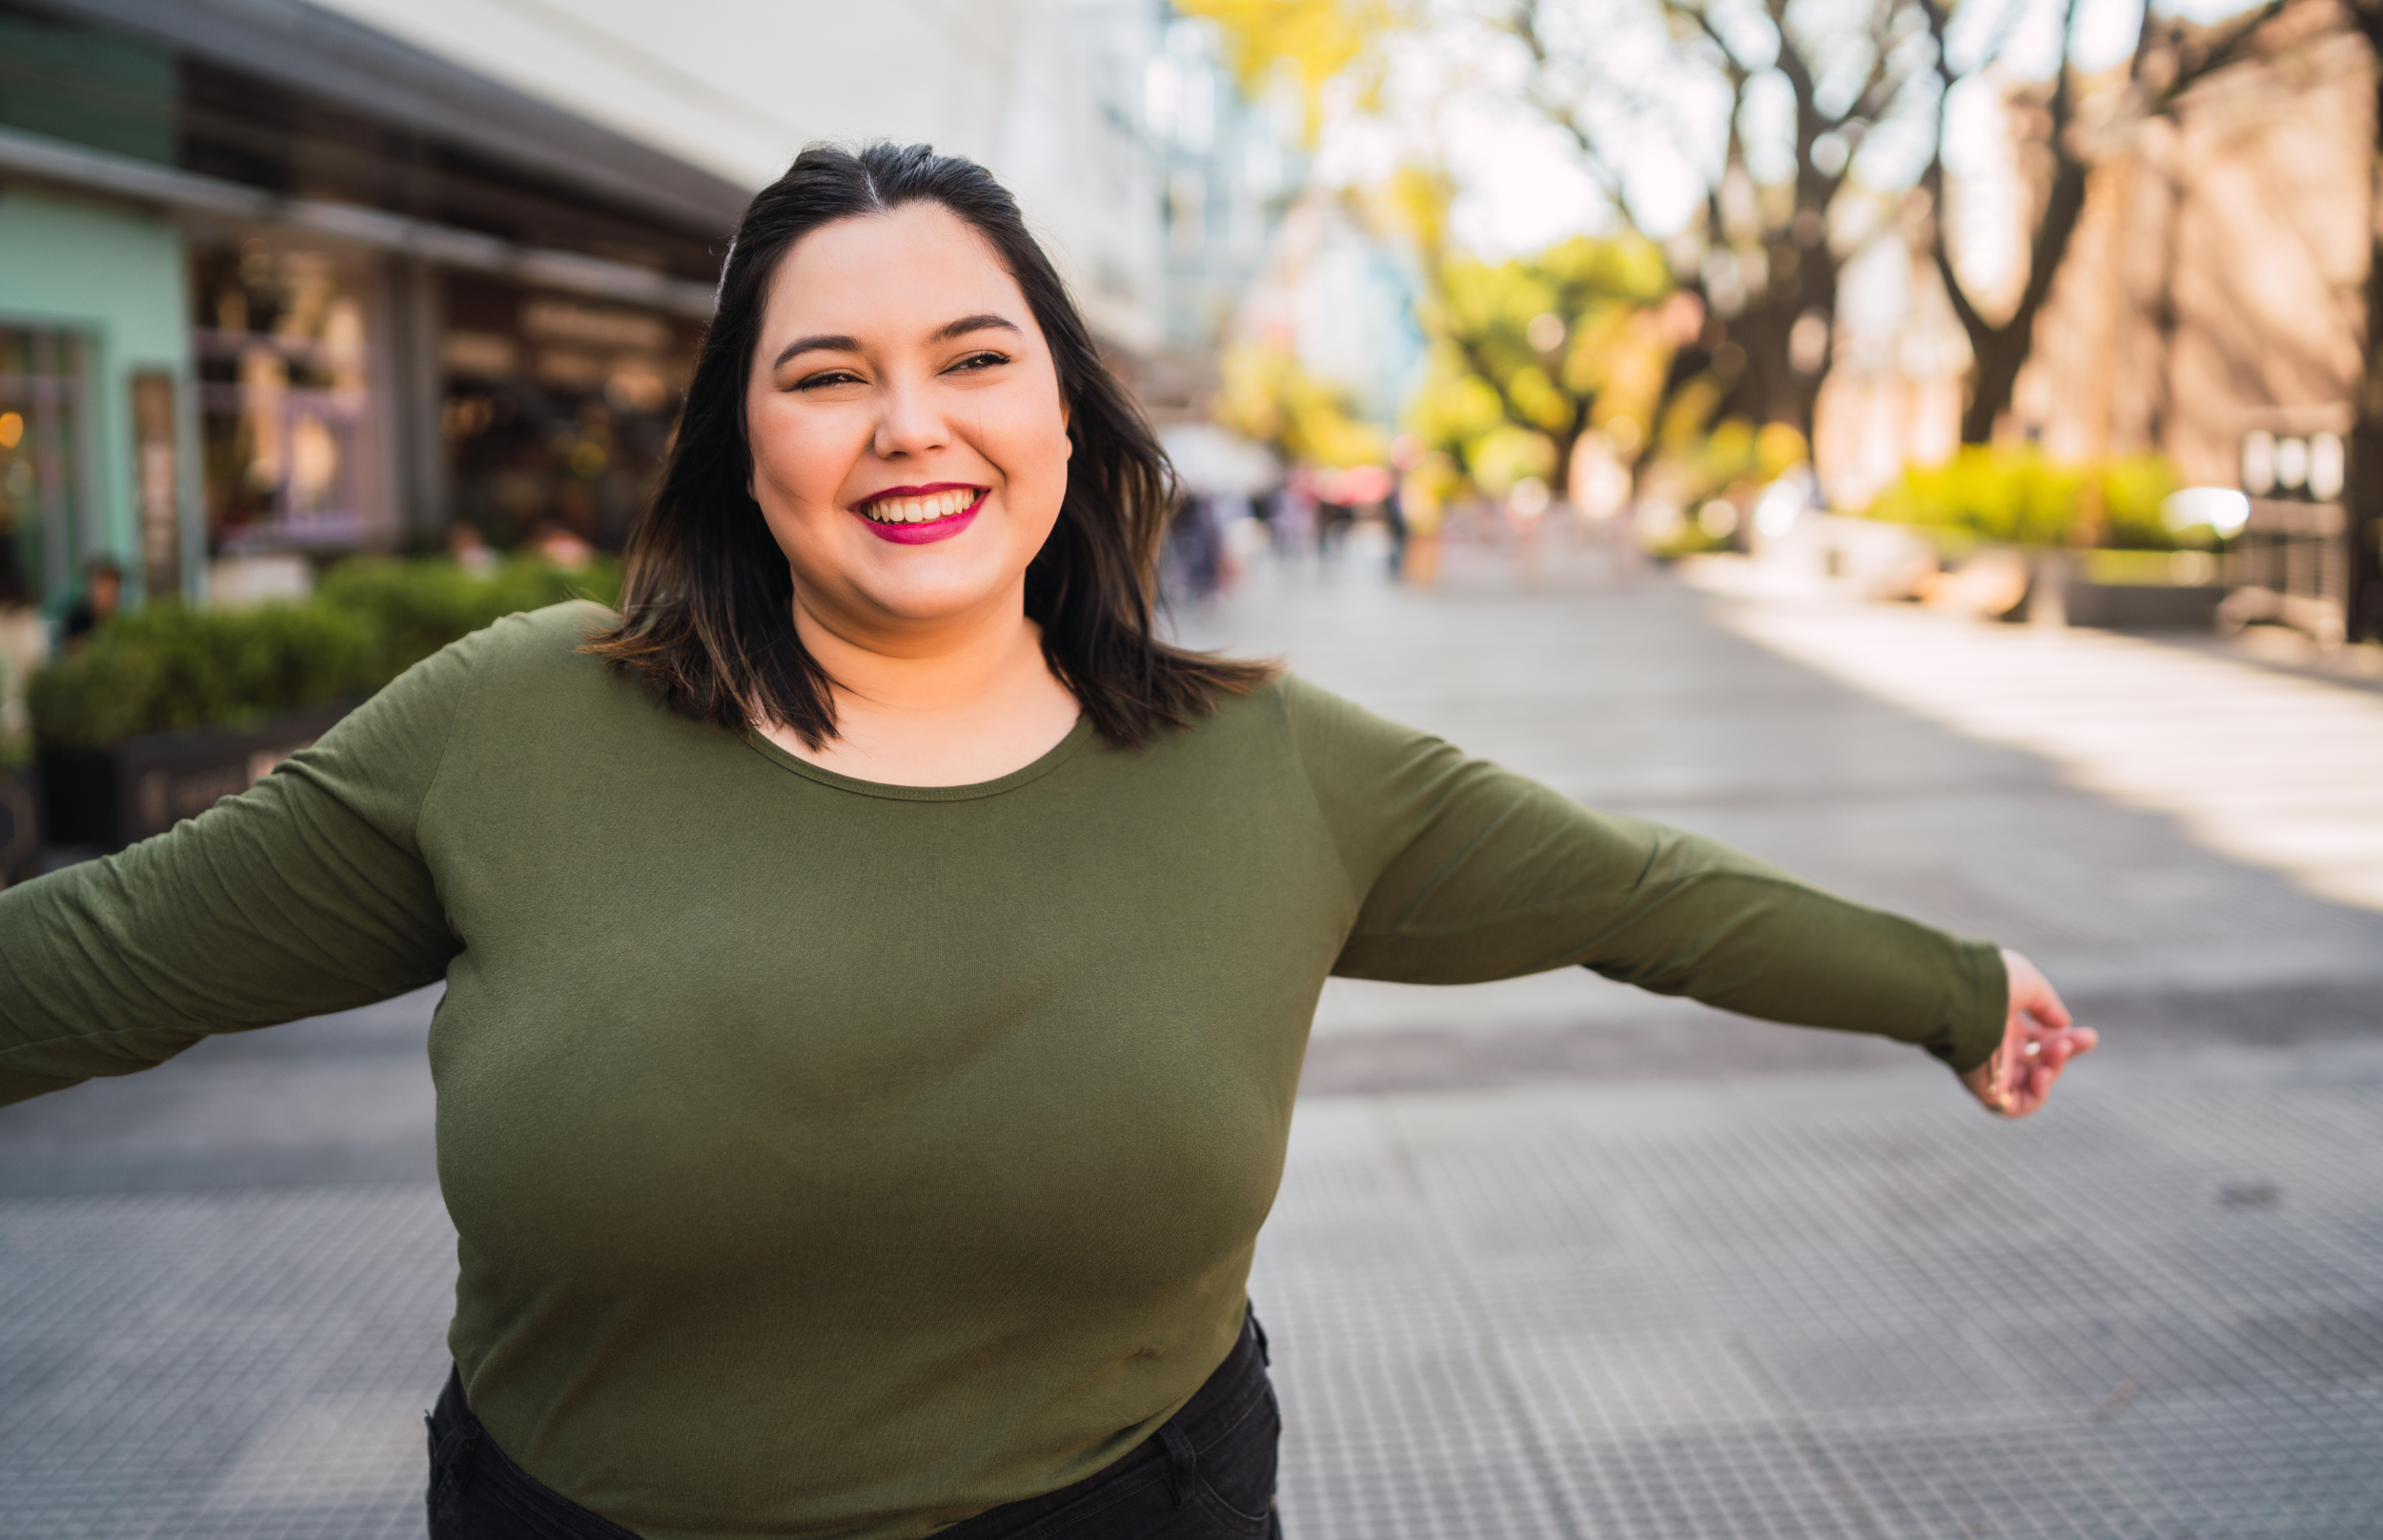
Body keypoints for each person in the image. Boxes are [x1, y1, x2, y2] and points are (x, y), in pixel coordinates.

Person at [0, 144, 2094, 1540]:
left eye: (971, 358)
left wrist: (1943, 990)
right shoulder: (514, 724)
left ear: (1066, 416)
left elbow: (1639, 895)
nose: (908, 421)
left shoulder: (1276, 772)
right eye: (827, 373)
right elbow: (87, 964)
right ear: (747, 446)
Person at [60, 554, 122, 645]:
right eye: (102, 587)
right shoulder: (77, 619)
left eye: (112, 589)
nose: (107, 594)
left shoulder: (121, 621)